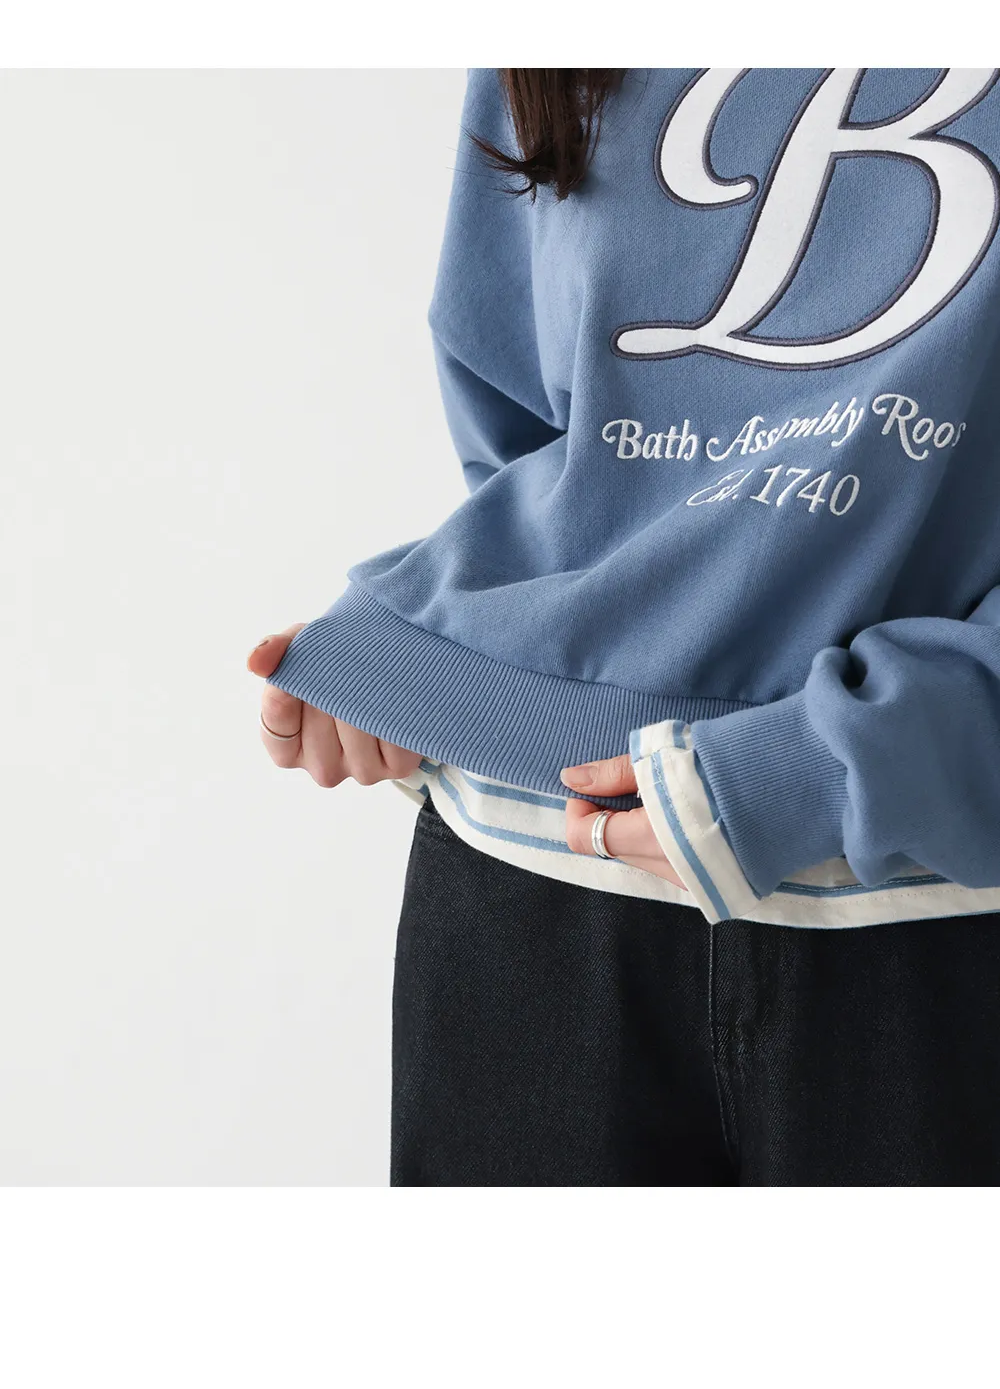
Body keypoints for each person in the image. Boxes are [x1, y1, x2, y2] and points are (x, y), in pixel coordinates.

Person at [248, 67, 1000, 1186]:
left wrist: (861, 755)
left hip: (934, 911)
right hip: (524, 886)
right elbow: (535, 429)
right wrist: (439, 668)